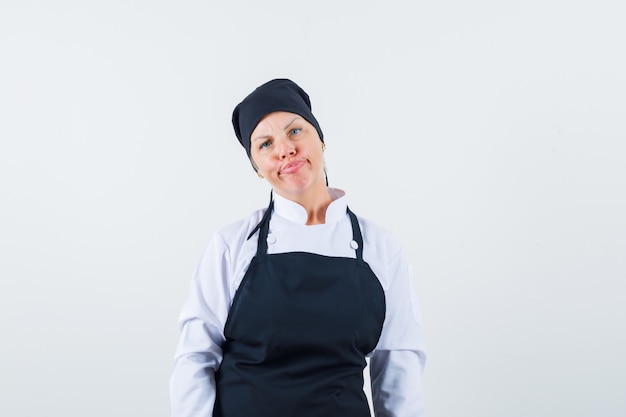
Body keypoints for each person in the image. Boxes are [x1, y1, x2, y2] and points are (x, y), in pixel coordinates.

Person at [169, 78, 426, 417]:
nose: (284, 150)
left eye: (294, 132)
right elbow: (195, 358)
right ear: (257, 169)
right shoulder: (231, 246)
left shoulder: (382, 249)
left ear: (320, 139)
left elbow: (399, 367)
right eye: (265, 144)